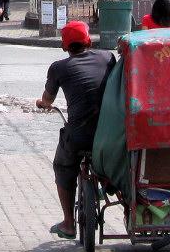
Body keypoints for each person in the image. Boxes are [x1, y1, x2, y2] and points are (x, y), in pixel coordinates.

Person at [35, 21, 115, 240]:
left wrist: (44, 104)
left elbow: (47, 99)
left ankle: (69, 224)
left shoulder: (59, 68)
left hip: (79, 134)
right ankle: (107, 184)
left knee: (62, 165)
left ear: (64, 46)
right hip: (109, 133)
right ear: (89, 41)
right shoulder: (108, 57)